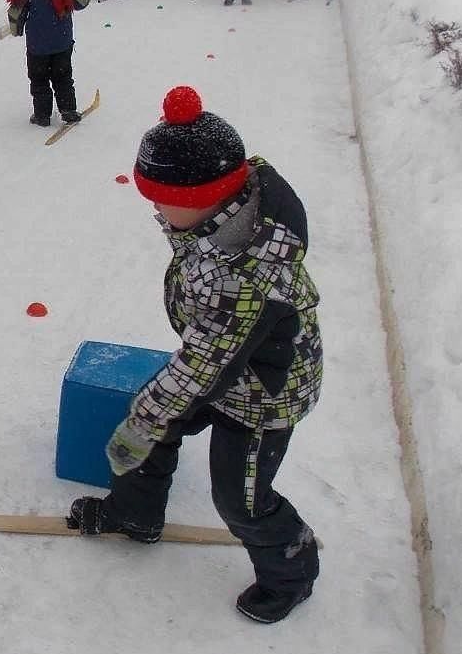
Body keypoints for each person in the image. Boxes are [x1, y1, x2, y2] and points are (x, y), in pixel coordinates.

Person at [67, 85, 323, 624]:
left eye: (162, 200)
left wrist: (143, 419)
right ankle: (135, 516)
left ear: (202, 198)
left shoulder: (244, 276)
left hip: (263, 397)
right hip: (226, 365)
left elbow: (205, 365)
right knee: (153, 418)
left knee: (241, 498)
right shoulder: (228, 208)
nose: (157, 211)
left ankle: (291, 569)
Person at [6, 0, 92, 127]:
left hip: (37, 47)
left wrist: (16, 30)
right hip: (62, 43)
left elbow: (15, 12)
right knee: (63, 77)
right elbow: (81, 1)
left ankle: (42, 115)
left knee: (39, 81)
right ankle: (68, 110)